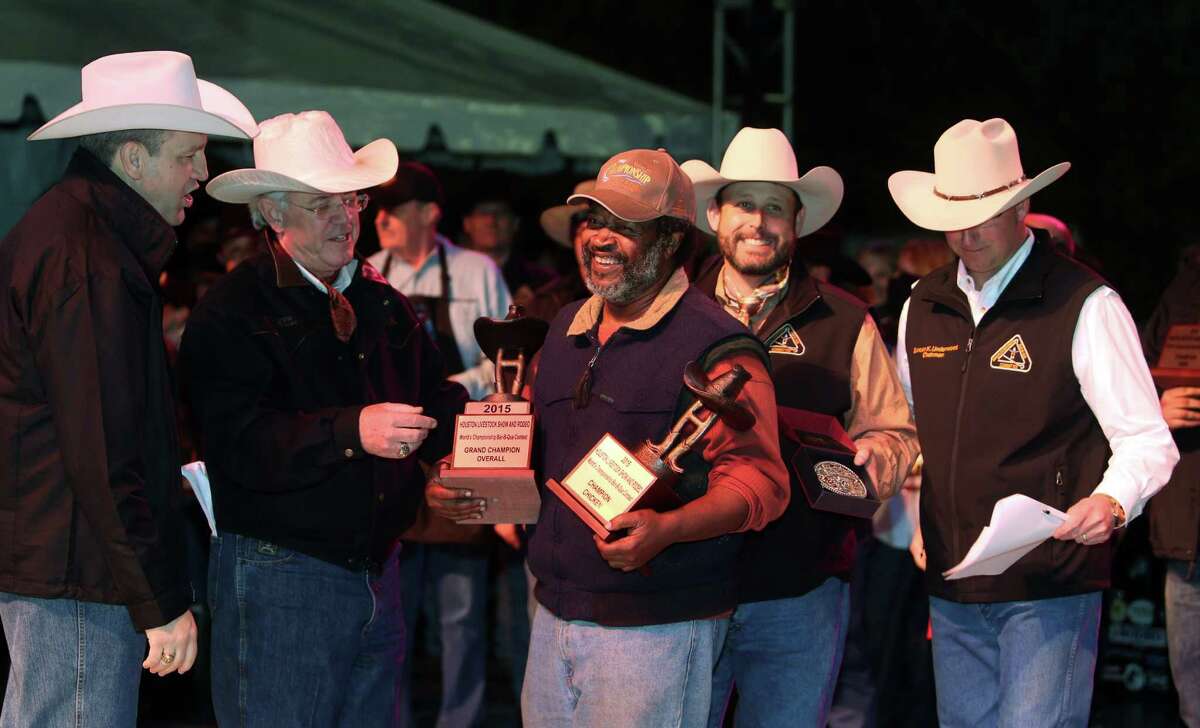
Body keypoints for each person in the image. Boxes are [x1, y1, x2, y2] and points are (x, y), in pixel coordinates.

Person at [429, 148, 790, 726]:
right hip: (552, 611)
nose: (600, 237)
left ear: (670, 239)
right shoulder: (566, 328)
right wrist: (466, 476)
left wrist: (669, 528)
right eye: (595, 220)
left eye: (624, 226)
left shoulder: (718, 346)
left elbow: (761, 482)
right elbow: (539, 446)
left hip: (655, 625)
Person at [182, 110, 468, 727]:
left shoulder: (380, 299)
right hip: (281, 574)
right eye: (323, 205)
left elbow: (434, 400)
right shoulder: (234, 310)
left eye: (353, 200)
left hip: (378, 570)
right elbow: (238, 445)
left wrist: (477, 447)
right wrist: (351, 431)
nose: (346, 219)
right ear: (274, 213)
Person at [891, 117, 1179, 727]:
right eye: (954, 218)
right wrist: (918, 515)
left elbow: (1147, 439)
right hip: (952, 578)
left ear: (1023, 206)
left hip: (1050, 578)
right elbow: (914, 427)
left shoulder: (1085, 302)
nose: (967, 234)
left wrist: (1112, 502)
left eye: (985, 215)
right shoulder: (922, 305)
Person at [0, 50, 256, 727]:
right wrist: (157, 600)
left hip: (71, 563)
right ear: (133, 159)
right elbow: (103, 447)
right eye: (189, 155)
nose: (203, 172)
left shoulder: (81, 237)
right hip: (79, 571)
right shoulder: (88, 256)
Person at [684, 126, 920, 726]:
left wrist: (874, 458)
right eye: (744, 204)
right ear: (715, 215)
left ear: (797, 223)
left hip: (802, 590)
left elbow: (895, 431)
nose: (758, 222)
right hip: (686, 582)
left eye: (774, 208)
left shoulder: (845, 319)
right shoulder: (673, 311)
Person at [367, 162, 510, 727]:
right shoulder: (366, 272)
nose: (381, 219)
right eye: (379, 209)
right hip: (389, 455)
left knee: (461, 614)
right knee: (390, 616)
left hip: (460, 445)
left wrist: (449, 386)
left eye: (395, 208)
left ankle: (461, 720)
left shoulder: (476, 271)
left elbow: (507, 361)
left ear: (429, 213)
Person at [1141, 255, 1200, 728]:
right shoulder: (1182, 292)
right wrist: (1155, 410)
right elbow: (1125, 389)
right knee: (1193, 696)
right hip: (1188, 537)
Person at [460, 181, 555, 301]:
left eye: (500, 213)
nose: (491, 221)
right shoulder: (451, 276)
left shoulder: (542, 282)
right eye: (483, 213)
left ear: (515, 223)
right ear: (467, 223)